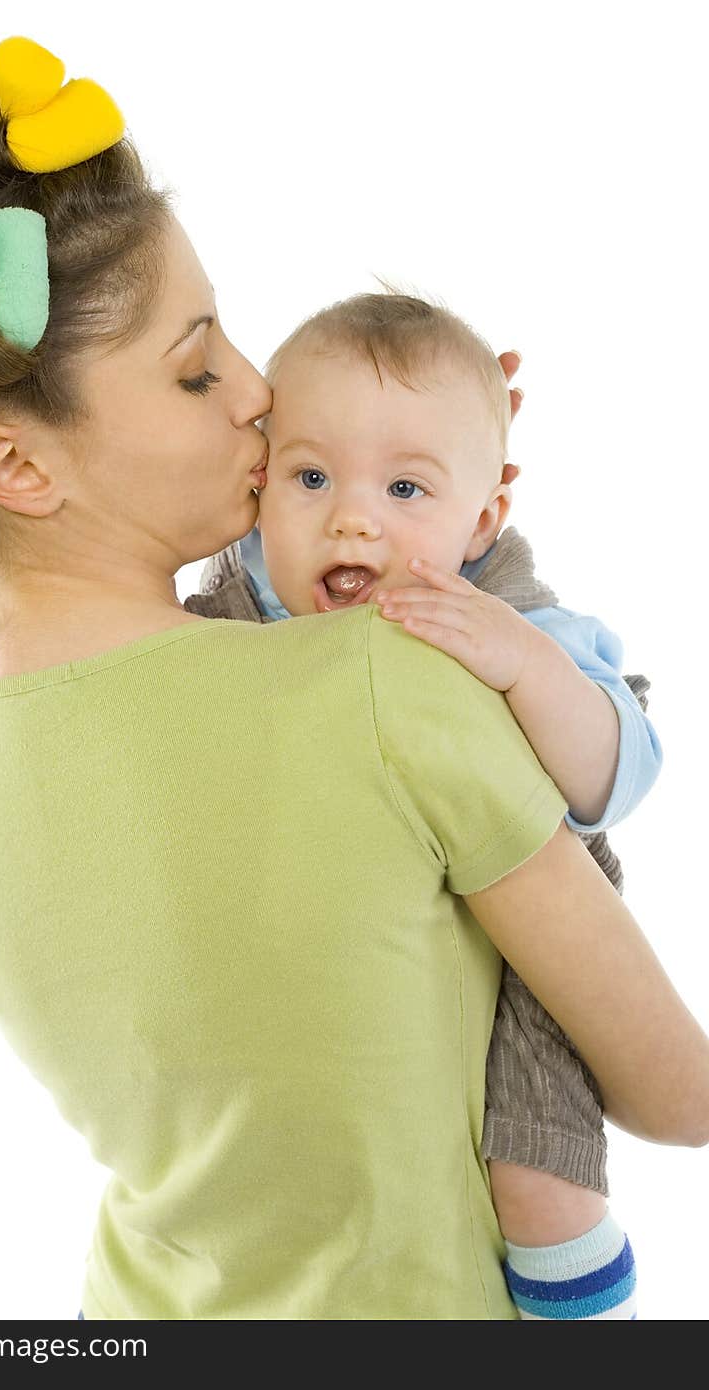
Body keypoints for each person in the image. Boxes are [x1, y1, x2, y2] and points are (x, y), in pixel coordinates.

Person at [0, 36, 708, 1321]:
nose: (256, 394)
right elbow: (674, 1094)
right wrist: (437, 491)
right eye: (198, 369)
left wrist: (392, 445)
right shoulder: (383, 679)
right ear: (19, 470)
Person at [182, 291, 663, 1317]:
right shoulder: (237, 604)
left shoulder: (520, 622)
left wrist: (523, 665)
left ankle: (582, 1296)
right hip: (319, 923)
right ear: (261, 483)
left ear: (482, 518)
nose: (352, 515)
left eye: (406, 487)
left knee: (535, 1174)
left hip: (518, 931)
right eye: (311, 476)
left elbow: (611, 778)